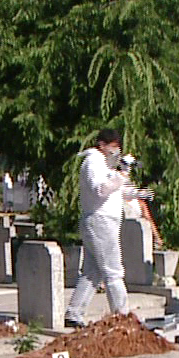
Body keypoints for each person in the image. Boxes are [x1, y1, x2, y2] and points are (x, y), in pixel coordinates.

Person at [65, 128, 149, 327]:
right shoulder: (93, 162)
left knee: (92, 272)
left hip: (106, 221)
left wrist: (142, 193)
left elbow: (118, 191)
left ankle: (74, 314)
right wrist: (122, 173)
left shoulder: (105, 166)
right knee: (113, 271)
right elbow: (101, 189)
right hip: (100, 221)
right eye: (113, 147)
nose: (116, 151)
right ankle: (122, 316)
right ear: (102, 145)